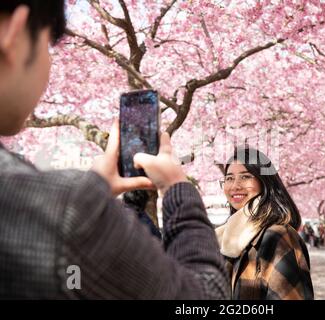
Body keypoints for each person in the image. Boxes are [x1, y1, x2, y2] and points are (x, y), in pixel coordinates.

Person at [0, 1, 229, 299]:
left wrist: (92, 190)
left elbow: (72, 281)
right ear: (15, 34)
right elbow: (204, 299)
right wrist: (178, 190)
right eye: (47, 43)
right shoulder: (62, 208)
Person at [215, 146, 314, 300]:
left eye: (245, 176)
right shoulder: (224, 238)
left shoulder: (277, 236)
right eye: (229, 178)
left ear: (264, 181)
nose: (235, 186)